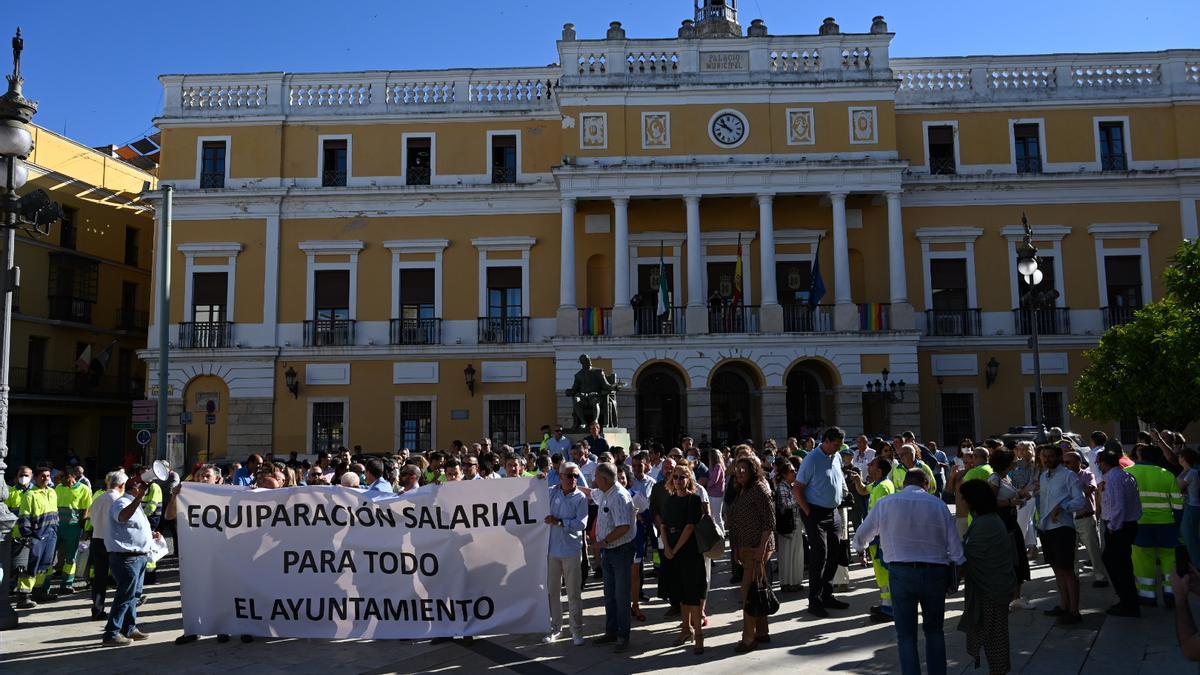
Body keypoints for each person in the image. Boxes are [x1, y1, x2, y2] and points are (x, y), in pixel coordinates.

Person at [853, 469, 965, 675]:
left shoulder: (887, 504)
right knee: (934, 632)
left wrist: (860, 548)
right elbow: (955, 547)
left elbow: (861, 535)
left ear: (904, 483)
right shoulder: (938, 505)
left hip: (901, 573)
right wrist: (959, 564)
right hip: (934, 573)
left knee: (905, 636)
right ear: (925, 483)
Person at [958, 480, 1016, 675]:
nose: (962, 501)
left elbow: (967, 555)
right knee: (993, 635)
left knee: (994, 637)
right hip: (992, 587)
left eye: (964, 498)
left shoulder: (985, 524)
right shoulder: (986, 519)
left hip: (991, 590)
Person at [794, 426, 851, 619]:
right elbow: (798, 489)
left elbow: (838, 479)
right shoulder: (811, 459)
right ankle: (814, 600)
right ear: (825, 441)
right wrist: (809, 512)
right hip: (815, 513)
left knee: (835, 554)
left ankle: (827, 594)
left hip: (833, 512)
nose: (838, 449)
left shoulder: (835, 456)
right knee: (820, 555)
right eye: (835, 445)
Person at [102, 471, 159, 645]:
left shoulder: (133, 503)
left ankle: (129, 628)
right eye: (141, 488)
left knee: (134, 595)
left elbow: (133, 527)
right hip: (126, 558)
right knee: (125, 595)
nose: (144, 490)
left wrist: (151, 535)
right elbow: (123, 517)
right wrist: (139, 498)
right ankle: (111, 632)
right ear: (134, 488)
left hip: (138, 557)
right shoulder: (121, 502)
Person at [1127, 443, 1184, 607]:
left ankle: (1147, 595)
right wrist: (1177, 525)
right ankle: (1170, 593)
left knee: (1143, 560)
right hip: (1166, 525)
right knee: (1169, 560)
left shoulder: (1129, 473)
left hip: (1139, 525)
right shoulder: (1167, 475)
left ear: (1139, 456)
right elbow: (1178, 505)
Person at [729, 454, 776, 653]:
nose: (739, 473)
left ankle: (748, 639)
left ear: (752, 471)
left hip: (758, 547)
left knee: (747, 592)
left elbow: (769, 522)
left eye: (743, 470)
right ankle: (762, 632)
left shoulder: (759, 489)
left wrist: (761, 549)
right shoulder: (742, 489)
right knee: (757, 587)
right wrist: (738, 548)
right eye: (737, 470)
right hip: (746, 547)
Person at [1036, 443, 1086, 624]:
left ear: (1058, 457)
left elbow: (1080, 500)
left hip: (1063, 528)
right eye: (1043, 456)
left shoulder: (1068, 476)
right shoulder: (1043, 476)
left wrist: (1063, 506)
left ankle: (1074, 611)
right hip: (1046, 528)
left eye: (1050, 456)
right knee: (1057, 570)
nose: (1046, 459)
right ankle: (1064, 605)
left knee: (1067, 570)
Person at [591, 462, 636, 652]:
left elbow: (624, 526)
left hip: (620, 551)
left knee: (621, 595)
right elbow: (589, 492)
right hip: (610, 551)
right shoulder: (605, 492)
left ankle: (623, 636)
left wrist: (604, 542)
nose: (594, 480)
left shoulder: (618, 496)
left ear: (605, 479)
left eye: (596, 477)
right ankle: (611, 631)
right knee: (609, 595)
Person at [662, 464, 706, 654]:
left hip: (689, 550)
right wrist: (667, 548)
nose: (679, 481)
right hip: (672, 549)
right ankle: (685, 629)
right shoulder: (669, 500)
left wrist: (675, 548)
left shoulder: (694, 500)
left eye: (682, 477)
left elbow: (689, 527)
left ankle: (699, 636)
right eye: (676, 477)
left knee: (693, 593)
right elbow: (663, 526)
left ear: (689, 479)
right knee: (680, 593)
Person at [544, 462, 589, 646]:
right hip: (552, 550)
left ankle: (576, 631)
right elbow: (532, 493)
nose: (573, 479)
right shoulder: (551, 491)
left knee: (573, 593)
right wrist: (537, 480)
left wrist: (560, 522)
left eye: (576, 476)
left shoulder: (580, 497)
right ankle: (556, 628)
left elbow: (581, 524)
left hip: (571, 550)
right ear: (560, 476)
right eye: (569, 476)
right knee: (552, 592)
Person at [1097, 449, 1142, 617]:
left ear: (1103, 463)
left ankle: (1128, 602)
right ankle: (1128, 600)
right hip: (1126, 525)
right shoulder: (1124, 476)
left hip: (1119, 527)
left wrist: (1113, 527)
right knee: (1119, 564)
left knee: (1117, 565)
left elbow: (1119, 506)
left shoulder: (1115, 478)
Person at [986, 448, 1032, 611]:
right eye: (1013, 459)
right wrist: (1011, 503)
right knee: (1009, 559)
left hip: (1011, 522)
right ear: (1006, 462)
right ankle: (1007, 598)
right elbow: (989, 503)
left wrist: (1022, 494)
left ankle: (1016, 597)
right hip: (1003, 523)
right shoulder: (995, 479)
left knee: (1017, 558)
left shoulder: (1006, 478)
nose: (1016, 461)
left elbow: (1010, 496)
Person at [14, 465, 59, 608]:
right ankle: (23, 597)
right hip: (36, 536)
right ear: (36, 477)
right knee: (30, 566)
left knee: (45, 565)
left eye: (48, 475)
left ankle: (38, 592)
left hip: (51, 534)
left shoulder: (52, 492)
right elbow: (24, 516)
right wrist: (28, 535)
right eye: (42, 476)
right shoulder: (30, 495)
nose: (46, 478)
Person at [1063, 451, 1108, 588]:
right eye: (1063, 463)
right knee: (1071, 551)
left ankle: (1101, 577)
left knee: (1093, 550)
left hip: (1085, 518)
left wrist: (1073, 481)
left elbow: (1089, 490)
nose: (1065, 465)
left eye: (1068, 462)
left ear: (1078, 462)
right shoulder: (1063, 477)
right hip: (1069, 519)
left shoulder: (1087, 475)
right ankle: (1074, 577)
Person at [53, 467, 92, 594]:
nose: (60, 480)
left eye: (62, 477)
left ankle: (67, 584)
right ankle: (44, 585)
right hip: (57, 526)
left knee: (71, 558)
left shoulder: (84, 489)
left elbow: (85, 509)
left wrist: (82, 527)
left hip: (73, 528)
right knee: (50, 556)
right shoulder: (58, 488)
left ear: (71, 476)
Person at [774, 457, 804, 593]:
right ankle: (786, 583)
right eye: (792, 471)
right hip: (787, 527)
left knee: (797, 554)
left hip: (796, 525)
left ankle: (796, 582)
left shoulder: (791, 487)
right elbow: (786, 504)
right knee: (786, 556)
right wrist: (797, 495)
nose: (795, 473)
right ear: (785, 474)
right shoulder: (782, 487)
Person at [1178, 447, 1200, 566]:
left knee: (1190, 537)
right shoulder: (1188, 471)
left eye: (1180, 456)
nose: (1178, 458)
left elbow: (1178, 486)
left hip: (1192, 506)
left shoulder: (1191, 472)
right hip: (1189, 506)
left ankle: (1197, 564)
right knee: (1188, 535)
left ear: (1184, 458)